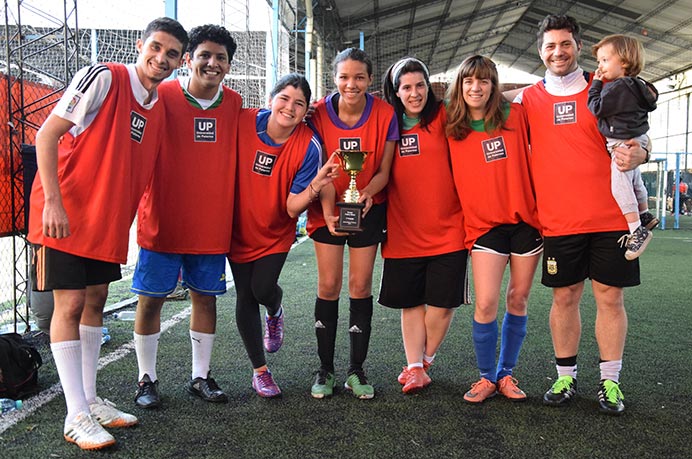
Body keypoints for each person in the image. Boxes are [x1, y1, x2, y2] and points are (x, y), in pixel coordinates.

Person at [27, 17, 187, 450]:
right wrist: (55, 204)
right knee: (71, 302)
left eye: (172, 53)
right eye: (156, 47)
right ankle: (75, 414)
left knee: (96, 301)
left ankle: (91, 400)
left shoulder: (158, 108)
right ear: (140, 45)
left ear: (180, 61)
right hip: (62, 212)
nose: (161, 58)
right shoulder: (104, 77)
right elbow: (46, 136)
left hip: (105, 221)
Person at [516, 14, 649, 416]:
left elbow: (638, 134)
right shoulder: (528, 99)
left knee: (610, 298)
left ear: (577, 46)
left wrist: (643, 152)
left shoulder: (609, 86)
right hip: (559, 220)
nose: (558, 52)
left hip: (612, 218)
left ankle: (610, 383)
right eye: (550, 46)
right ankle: (565, 376)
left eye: (565, 44)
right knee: (565, 297)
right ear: (540, 51)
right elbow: (485, 102)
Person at [130, 24, 241, 409]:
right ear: (189, 59)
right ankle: (146, 379)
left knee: (205, 299)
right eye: (205, 55)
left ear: (228, 66)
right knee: (150, 300)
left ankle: (200, 376)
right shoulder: (159, 96)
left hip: (211, 227)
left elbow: (271, 124)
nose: (212, 63)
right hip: (161, 222)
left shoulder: (236, 104)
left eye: (221, 58)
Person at [229, 73, 338, 398]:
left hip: (276, 231)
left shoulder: (309, 145)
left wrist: (316, 186)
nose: (290, 107)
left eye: (299, 103)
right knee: (244, 297)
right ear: (271, 98)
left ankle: (275, 309)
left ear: (306, 111)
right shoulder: (243, 122)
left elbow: (293, 208)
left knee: (262, 289)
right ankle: (260, 372)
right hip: (236, 228)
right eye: (285, 98)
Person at [446, 55, 542, 403]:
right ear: (460, 85)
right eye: (469, 81)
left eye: (484, 81)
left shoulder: (516, 117)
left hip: (525, 222)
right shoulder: (450, 125)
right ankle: (486, 377)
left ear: (493, 85)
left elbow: (541, 93)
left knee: (517, 298)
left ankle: (506, 373)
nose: (476, 87)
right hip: (484, 227)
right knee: (485, 303)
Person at [306, 47, 398, 399]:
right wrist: (329, 211)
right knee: (328, 285)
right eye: (344, 77)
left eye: (359, 77)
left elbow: (384, 172)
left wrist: (365, 196)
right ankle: (324, 369)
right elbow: (319, 168)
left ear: (370, 80)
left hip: (368, 207)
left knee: (360, 286)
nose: (351, 84)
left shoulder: (385, 113)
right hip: (326, 209)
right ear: (334, 79)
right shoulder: (317, 114)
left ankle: (356, 371)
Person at [378, 57, 468, 394]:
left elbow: (483, 99)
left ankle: (424, 360)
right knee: (411, 303)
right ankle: (414, 367)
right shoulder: (388, 124)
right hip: (403, 230)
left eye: (420, 86)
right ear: (396, 91)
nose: (414, 93)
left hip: (450, 230)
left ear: (429, 87)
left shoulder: (445, 115)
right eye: (407, 87)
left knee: (443, 305)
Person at [587, 34, 659, 260]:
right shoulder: (639, 86)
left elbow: (596, 107)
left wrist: (596, 85)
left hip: (622, 144)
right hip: (639, 138)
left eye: (605, 61)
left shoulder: (617, 87)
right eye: (599, 61)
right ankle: (645, 214)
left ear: (624, 62)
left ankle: (637, 230)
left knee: (620, 186)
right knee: (635, 180)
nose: (600, 67)